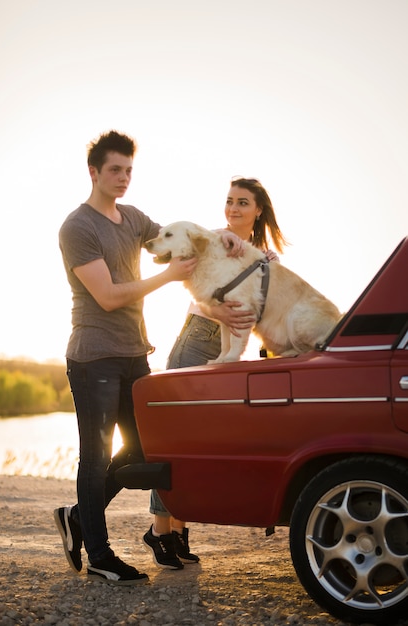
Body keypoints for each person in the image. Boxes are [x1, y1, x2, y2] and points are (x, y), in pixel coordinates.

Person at [54, 130, 243, 586]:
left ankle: (79, 516)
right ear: (94, 173)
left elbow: (175, 241)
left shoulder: (132, 218)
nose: (123, 178)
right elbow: (108, 296)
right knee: (96, 459)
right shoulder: (77, 227)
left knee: (143, 450)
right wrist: (168, 278)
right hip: (95, 357)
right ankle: (99, 554)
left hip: (135, 354)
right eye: (115, 170)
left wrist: (220, 237)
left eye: (128, 171)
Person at [143, 176, 288, 569]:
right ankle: (160, 530)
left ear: (258, 210)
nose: (234, 208)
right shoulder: (208, 239)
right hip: (198, 338)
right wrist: (218, 309)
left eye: (243, 202)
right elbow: (194, 290)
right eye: (229, 201)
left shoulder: (266, 257)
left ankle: (179, 529)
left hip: (232, 349)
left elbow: (266, 310)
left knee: (199, 442)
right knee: (174, 439)